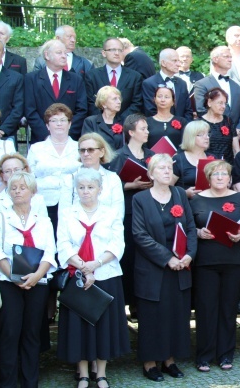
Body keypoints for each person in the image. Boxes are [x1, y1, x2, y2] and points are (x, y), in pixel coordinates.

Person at [56, 168, 130, 388]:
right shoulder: (68, 212)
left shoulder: (110, 212)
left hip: (105, 273)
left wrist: (95, 265)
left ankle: (101, 373)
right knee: (79, 325)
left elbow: (117, 243)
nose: (86, 191)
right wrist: (82, 266)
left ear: (100, 189)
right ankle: (83, 373)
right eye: (81, 187)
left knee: (103, 326)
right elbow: (63, 243)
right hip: (77, 275)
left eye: (90, 187)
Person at [0, 172, 57, 388]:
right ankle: (7, 383)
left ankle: (30, 382)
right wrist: (14, 276)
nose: (17, 191)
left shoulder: (43, 220)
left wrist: (36, 276)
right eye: (13, 187)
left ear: (32, 191)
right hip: (9, 282)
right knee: (9, 331)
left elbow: (49, 252)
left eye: (22, 187)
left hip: (37, 282)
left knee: (32, 332)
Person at [132, 154, 197, 382]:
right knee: (152, 316)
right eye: (161, 168)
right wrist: (167, 258)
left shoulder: (179, 194)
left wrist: (189, 255)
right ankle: (150, 363)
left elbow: (190, 228)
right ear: (150, 174)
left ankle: (170, 360)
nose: (167, 171)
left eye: (169, 167)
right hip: (154, 268)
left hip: (181, 266)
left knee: (176, 314)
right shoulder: (140, 199)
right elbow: (140, 235)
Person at [191, 160, 240, 372]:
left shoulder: (239, 198)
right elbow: (189, 228)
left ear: (230, 178)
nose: (219, 177)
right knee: (206, 309)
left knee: (228, 309)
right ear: (208, 177)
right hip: (206, 262)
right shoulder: (197, 199)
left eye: (224, 174)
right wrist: (199, 233)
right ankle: (204, 355)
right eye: (215, 174)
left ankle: (226, 355)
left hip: (234, 260)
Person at [108, 114, 154, 318]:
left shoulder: (152, 155)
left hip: (149, 212)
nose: (147, 132)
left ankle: (141, 302)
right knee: (129, 257)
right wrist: (131, 185)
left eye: (147, 128)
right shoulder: (119, 156)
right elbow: (110, 185)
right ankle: (127, 301)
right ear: (131, 132)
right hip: (127, 212)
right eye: (143, 128)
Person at [27, 103, 81, 233]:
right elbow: (29, 177)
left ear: (69, 124)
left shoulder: (79, 147)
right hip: (44, 202)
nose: (59, 124)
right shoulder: (36, 148)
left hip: (74, 203)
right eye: (54, 120)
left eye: (63, 120)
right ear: (47, 125)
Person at [24, 39, 87, 141]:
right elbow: (30, 110)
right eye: (59, 53)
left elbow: (82, 110)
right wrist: (46, 134)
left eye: (65, 53)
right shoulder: (31, 79)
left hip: (70, 138)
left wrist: (67, 133)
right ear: (47, 55)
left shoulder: (76, 79)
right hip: (41, 138)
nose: (64, 56)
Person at [58, 133, 124, 221]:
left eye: (90, 150)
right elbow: (63, 214)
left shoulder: (112, 178)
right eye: (82, 150)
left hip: (105, 229)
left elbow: (118, 213)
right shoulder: (69, 179)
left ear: (102, 152)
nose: (85, 154)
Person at [85, 37, 143, 121]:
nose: (117, 53)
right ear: (104, 53)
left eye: (120, 50)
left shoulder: (135, 77)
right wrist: (104, 120)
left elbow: (136, 103)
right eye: (112, 50)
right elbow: (90, 102)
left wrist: (120, 120)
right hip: (99, 125)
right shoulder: (92, 76)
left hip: (125, 124)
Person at [193, 46, 240, 132]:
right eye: (226, 56)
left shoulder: (237, 86)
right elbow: (201, 111)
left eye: (231, 57)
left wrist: (238, 129)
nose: (230, 60)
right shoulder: (201, 84)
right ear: (215, 59)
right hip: (212, 134)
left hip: (236, 134)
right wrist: (218, 129)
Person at [0, 38, 24, 139]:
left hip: (6, 134)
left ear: (3, 54)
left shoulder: (16, 78)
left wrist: (3, 130)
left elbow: (18, 108)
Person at [142, 48, 192, 121]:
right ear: (163, 63)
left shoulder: (182, 83)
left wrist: (184, 126)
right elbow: (150, 110)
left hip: (182, 128)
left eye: (178, 61)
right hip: (159, 128)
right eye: (174, 61)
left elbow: (188, 110)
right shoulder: (149, 83)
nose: (178, 64)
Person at [172, 120, 212, 198]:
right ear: (190, 137)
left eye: (208, 134)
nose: (207, 137)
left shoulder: (213, 157)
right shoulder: (179, 159)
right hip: (187, 204)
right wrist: (184, 193)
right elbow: (167, 187)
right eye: (201, 135)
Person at [199, 87, 238, 163]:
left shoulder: (228, 121)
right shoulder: (199, 123)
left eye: (225, 103)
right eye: (220, 103)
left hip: (227, 167)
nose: (223, 106)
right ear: (209, 102)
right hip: (207, 167)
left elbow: (236, 149)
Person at [82, 85, 125, 152]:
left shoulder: (124, 121)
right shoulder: (90, 122)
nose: (119, 102)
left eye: (119, 99)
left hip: (119, 160)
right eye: (114, 99)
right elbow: (87, 145)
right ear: (103, 104)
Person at [146, 85, 187, 150]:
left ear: (173, 101)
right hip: (152, 158)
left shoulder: (182, 121)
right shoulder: (146, 122)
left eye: (167, 97)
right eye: (159, 96)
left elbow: (186, 143)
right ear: (155, 100)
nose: (163, 100)